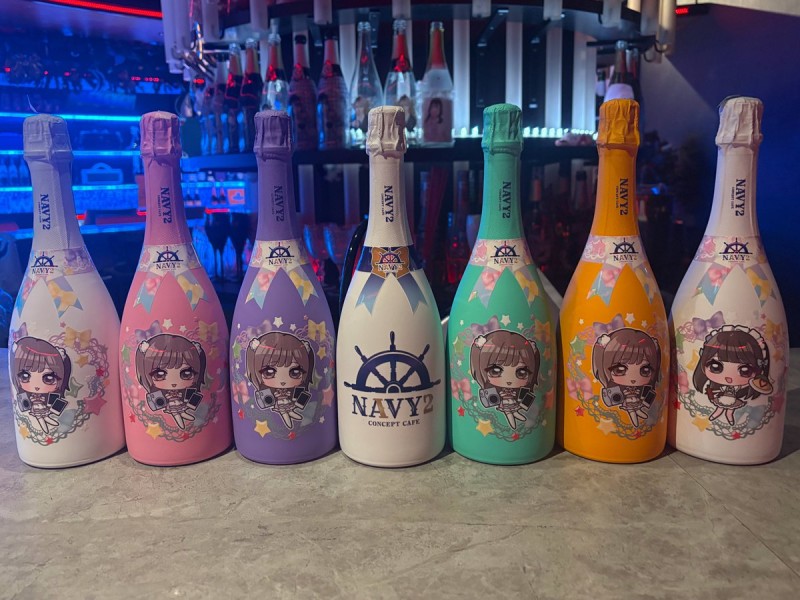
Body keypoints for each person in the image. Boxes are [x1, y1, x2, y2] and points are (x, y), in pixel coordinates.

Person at [693, 324, 772, 425]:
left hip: (732, 399)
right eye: (715, 367)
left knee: (730, 410)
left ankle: (729, 418)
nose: (728, 378)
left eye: (745, 370)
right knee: (720, 407)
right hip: (722, 398)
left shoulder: (739, 387)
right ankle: (714, 416)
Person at [470, 330, 540, 430]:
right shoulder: (491, 392)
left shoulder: (523, 393)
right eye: (495, 371)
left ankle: (515, 418)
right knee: (510, 413)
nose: (509, 380)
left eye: (521, 373)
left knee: (516, 413)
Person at [592, 328, 661, 428]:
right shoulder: (614, 391)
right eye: (620, 370)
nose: (633, 378)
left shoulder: (645, 391)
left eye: (645, 370)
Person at [135, 334, 206, 430]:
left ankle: (184, 417)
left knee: (183, 412)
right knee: (176, 413)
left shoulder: (189, 393)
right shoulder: (157, 395)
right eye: (159, 374)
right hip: (146, 432)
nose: (174, 383)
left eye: (186, 374)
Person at [246, 331, 314, 430]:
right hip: (279, 406)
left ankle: (291, 415)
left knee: (290, 411)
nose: (282, 380)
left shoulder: (297, 392)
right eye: (269, 372)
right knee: (284, 412)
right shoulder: (267, 393)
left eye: (295, 372)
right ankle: (288, 417)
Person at [12, 336, 71, 434]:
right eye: (25, 376)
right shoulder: (24, 397)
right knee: (41, 418)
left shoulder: (53, 397)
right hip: (28, 431)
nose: (36, 386)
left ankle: (47, 420)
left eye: (48, 378)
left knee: (45, 417)